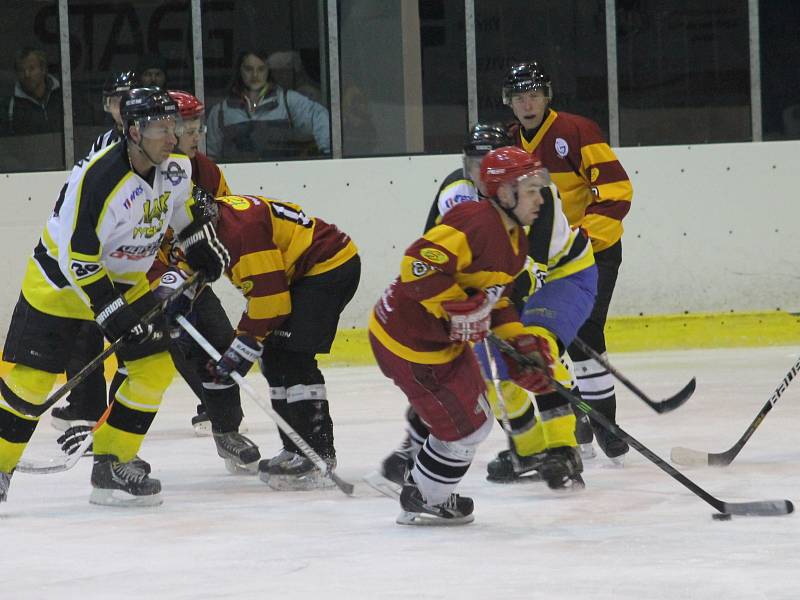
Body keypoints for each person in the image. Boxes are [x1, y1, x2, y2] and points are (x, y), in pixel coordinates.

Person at [0, 87, 229, 506]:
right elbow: (78, 257)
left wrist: (202, 245)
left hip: (125, 278)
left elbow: (183, 213)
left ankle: (111, 463)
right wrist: (112, 314)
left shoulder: (176, 168)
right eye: (161, 128)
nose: (172, 137)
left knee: (155, 367)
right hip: (62, 283)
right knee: (32, 383)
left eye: (173, 126)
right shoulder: (99, 177)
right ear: (133, 131)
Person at [369, 146, 583, 525]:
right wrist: (454, 305)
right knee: (470, 428)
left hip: (441, 344)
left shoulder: (516, 239)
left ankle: (422, 480)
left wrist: (519, 341)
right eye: (531, 189)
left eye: (540, 187)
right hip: (411, 344)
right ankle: (425, 497)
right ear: (504, 193)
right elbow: (416, 266)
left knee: (474, 416)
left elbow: (495, 300)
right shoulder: (476, 221)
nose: (540, 197)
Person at [502, 61, 634, 463]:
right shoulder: (508, 144)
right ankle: (579, 416)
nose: (528, 104)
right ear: (509, 103)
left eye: (535, 95)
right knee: (548, 339)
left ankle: (605, 427)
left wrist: (580, 242)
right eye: (519, 97)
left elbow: (616, 192)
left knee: (586, 333)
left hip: (591, 253)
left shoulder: (577, 131)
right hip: (541, 260)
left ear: (547, 97)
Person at [187, 193, 360, 491]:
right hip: (299, 274)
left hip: (327, 268)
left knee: (294, 360)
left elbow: (271, 301)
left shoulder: (239, 235)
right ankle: (295, 449)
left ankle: (318, 454)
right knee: (275, 360)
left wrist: (241, 346)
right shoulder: (217, 222)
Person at [50, 70, 140, 432]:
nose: (123, 106)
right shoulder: (103, 143)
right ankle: (88, 406)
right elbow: (74, 191)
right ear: (108, 105)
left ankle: (215, 406)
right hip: (104, 249)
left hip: (139, 251)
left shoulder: (157, 142)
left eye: (129, 98)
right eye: (117, 99)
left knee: (158, 331)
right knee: (84, 324)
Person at [206, 49, 331, 161]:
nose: (255, 75)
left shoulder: (287, 101)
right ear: (239, 71)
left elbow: (319, 115)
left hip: (281, 181)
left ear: (268, 71)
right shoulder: (221, 110)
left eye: (261, 69)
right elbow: (211, 156)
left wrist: (327, 152)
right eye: (248, 69)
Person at [1, 47, 63, 137]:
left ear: (43, 70)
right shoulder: (8, 107)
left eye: (32, 68)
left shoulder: (64, 96)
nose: (27, 74)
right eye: (21, 70)